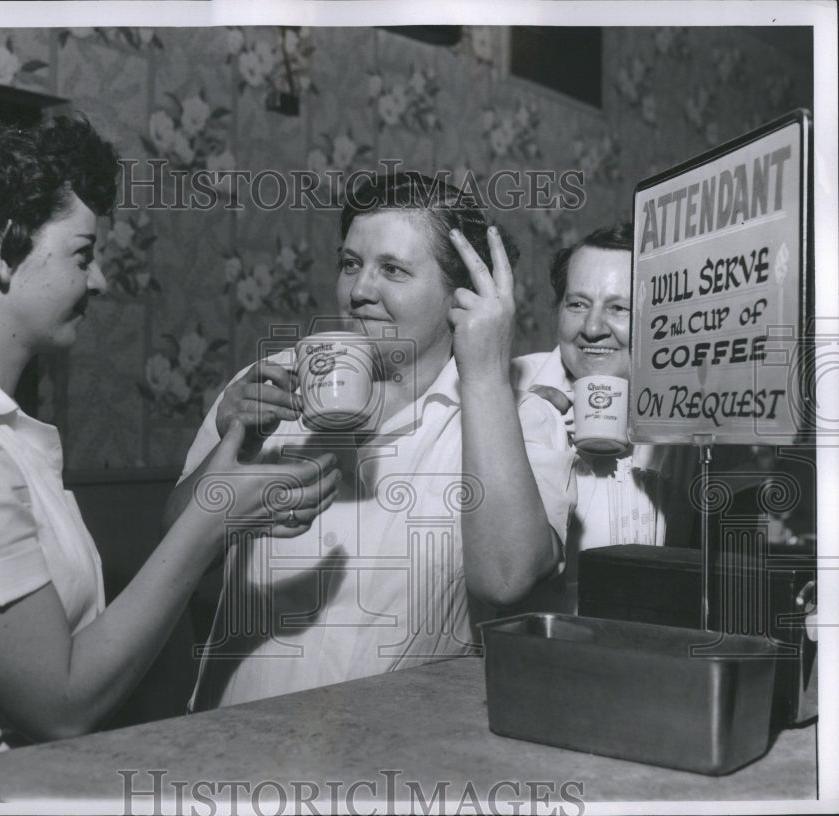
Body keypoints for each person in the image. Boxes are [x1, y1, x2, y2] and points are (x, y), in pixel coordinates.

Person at [0, 116, 340, 762]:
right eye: (83, 255)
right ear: (6, 254)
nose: (101, 281)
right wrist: (212, 523)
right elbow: (59, 707)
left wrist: (223, 471)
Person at [172, 172, 576, 710]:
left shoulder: (517, 415)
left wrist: (482, 374)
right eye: (349, 264)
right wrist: (236, 447)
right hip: (232, 761)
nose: (360, 291)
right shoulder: (270, 383)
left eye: (393, 269)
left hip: (393, 773)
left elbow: (506, 579)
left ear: (462, 295)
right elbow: (169, 545)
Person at [511, 222, 694, 613]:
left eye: (619, 308)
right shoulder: (507, 392)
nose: (592, 328)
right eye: (577, 304)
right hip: (540, 656)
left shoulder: (692, 406)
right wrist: (519, 424)